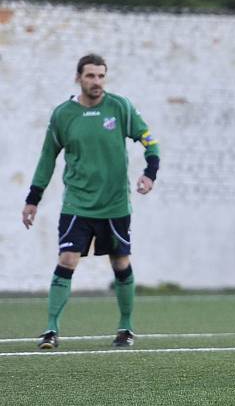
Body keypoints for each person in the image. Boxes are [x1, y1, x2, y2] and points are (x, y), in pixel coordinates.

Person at [22, 54, 160, 349]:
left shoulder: (120, 107)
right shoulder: (63, 115)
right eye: (90, 76)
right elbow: (47, 158)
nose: (96, 82)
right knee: (67, 259)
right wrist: (33, 199)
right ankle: (51, 330)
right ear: (78, 78)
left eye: (101, 76)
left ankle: (125, 328)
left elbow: (150, 140)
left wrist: (150, 172)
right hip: (77, 203)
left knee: (120, 262)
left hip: (114, 205)